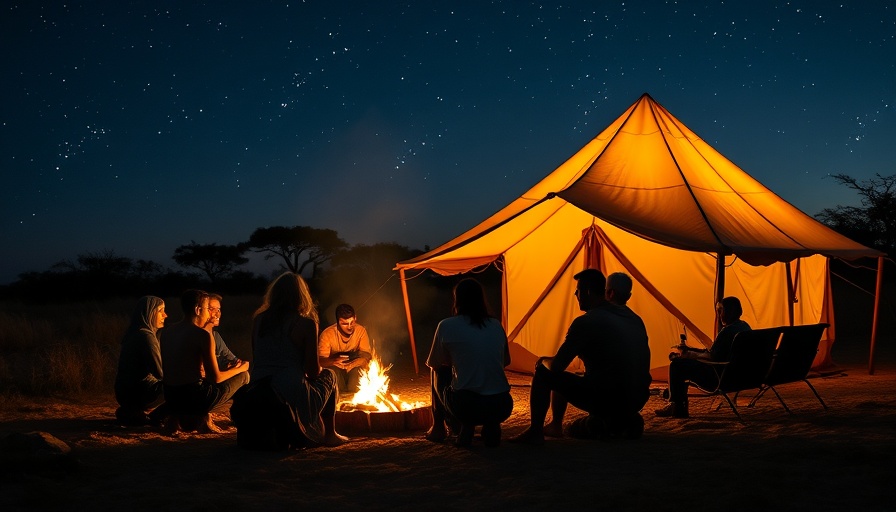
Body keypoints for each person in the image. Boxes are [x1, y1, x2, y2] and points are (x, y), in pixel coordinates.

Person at [510, 269, 651, 445]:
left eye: (578, 291)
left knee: (543, 372)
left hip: (608, 397)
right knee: (576, 377)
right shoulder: (634, 319)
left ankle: (537, 431)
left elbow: (557, 366)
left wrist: (544, 360)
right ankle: (619, 420)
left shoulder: (586, 322)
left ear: (588, 292)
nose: (576, 295)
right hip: (637, 397)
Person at [250, 272, 347, 447]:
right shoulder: (305, 324)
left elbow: (257, 355)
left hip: (259, 387)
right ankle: (330, 435)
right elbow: (313, 371)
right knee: (330, 375)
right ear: (302, 296)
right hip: (288, 390)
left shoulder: (259, 320)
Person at [425, 278, 513, 448]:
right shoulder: (495, 324)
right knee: (484, 377)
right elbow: (506, 361)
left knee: (436, 369)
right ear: (481, 299)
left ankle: (440, 427)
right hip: (502, 404)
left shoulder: (446, 325)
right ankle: (491, 426)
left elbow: (435, 363)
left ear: (457, 300)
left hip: (466, 406)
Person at [159, 289, 250, 432]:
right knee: (244, 377)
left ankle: (175, 418)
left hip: (170, 397)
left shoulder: (167, 331)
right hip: (194, 398)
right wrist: (241, 368)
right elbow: (215, 377)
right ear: (197, 309)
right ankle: (238, 419)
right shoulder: (202, 335)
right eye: (208, 309)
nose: (211, 314)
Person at [655, 296, 752, 419]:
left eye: (721, 311)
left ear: (729, 312)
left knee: (677, 365)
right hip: (739, 375)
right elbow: (717, 353)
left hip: (719, 377)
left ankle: (677, 405)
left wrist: (690, 355)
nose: (719, 315)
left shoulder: (727, 332)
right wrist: (691, 354)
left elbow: (712, 356)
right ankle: (677, 403)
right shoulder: (745, 327)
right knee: (683, 362)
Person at [114, 296, 168, 425]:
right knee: (184, 386)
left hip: (123, 393)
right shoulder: (146, 337)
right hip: (140, 393)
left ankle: (132, 412)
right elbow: (160, 373)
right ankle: (156, 416)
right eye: (161, 311)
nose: (165, 315)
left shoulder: (134, 333)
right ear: (150, 313)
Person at [317, 303, 372, 397]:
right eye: (345, 324)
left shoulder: (361, 331)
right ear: (338, 322)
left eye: (352, 322)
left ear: (355, 318)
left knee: (357, 374)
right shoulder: (327, 334)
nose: (349, 326)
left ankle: (355, 402)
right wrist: (333, 361)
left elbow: (367, 355)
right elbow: (320, 361)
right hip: (336, 367)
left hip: (354, 366)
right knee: (334, 374)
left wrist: (353, 361)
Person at [203, 293, 242, 370]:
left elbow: (234, 359)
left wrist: (234, 365)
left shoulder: (215, 336)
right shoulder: (198, 336)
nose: (217, 314)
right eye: (212, 309)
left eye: (218, 309)